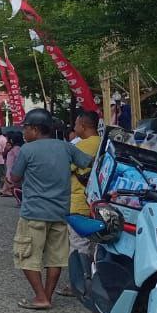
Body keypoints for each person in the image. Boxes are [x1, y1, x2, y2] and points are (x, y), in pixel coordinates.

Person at [7, 109, 93, 310]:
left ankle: (40, 297)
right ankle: (47, 295)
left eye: (26, 128)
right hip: (60, 212)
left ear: (36, 129)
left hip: (34, 212)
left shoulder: (27, 150)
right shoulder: (66, 147)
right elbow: (88, 163)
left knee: (26, 255)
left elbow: (15, 177)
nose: (24, 132)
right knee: (55, 257)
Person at [62, 111, 101, 299]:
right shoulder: (104, 143)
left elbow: (65, 168)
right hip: (99, 203)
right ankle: (94, 281)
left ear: (83, 126)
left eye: (76, 124)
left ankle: (77, 284)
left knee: (78, 244)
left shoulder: (81, 146)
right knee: (94, 245)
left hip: (79, 201)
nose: (74, 127)